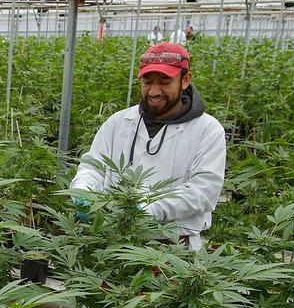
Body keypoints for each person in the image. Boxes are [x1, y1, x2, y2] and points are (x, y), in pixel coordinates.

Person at [70, 42, 225, 250]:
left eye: (165, 81)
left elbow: (204, 191)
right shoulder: (118, 122)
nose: (154, 90)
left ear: (185, 80)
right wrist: (84, 192)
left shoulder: (207, 129)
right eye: (147, 81)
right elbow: (93, 167)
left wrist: (147, 207)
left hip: (172, 249)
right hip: (112, 241)